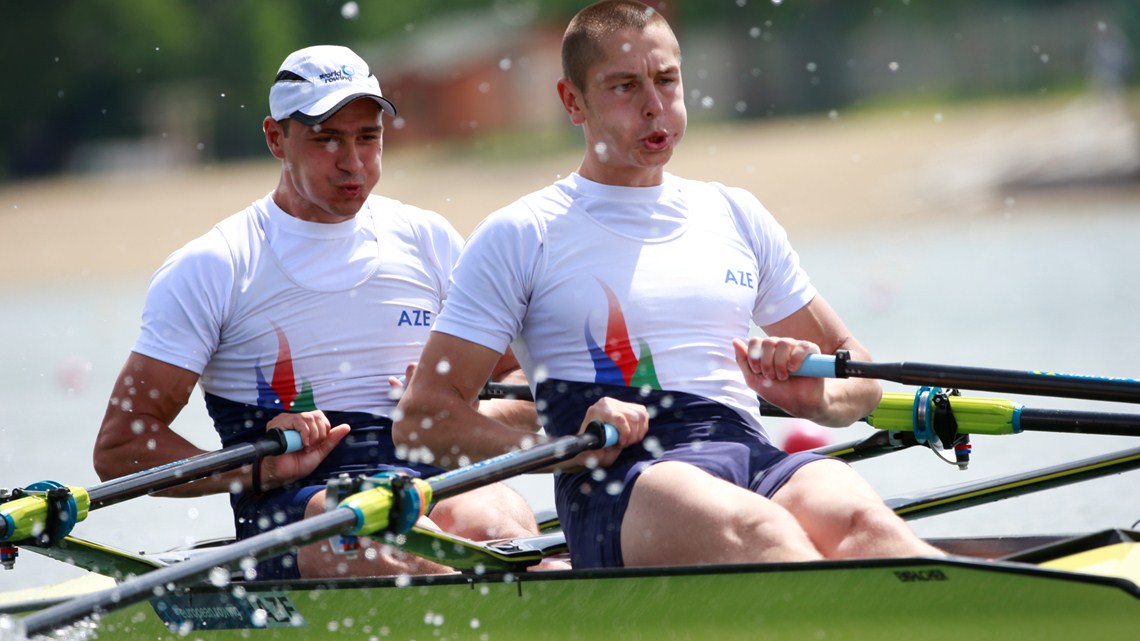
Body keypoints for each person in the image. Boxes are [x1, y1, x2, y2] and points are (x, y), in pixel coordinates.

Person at [394, 0, 943, 569]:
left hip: (749, 451)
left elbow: (860, 371)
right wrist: (559, 452)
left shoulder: (734, 213)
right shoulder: (522, 233)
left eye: (666, 80)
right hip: (618, 478)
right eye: (624, 86)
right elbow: (423, 418)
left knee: (870, 526)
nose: (655, 106)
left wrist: (821, 398)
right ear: (572, 101)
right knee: (767, 535)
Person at [93, 44, 541, 581]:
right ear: (276, 138)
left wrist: (460, 413)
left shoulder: (429, 241)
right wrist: (253, 467)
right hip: (293, 507)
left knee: (501, 526)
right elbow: (120, 445)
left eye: (367, 138)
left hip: (427, 482)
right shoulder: (215, 265)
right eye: (327, 139)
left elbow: (523, 385)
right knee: (388, 544)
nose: (352, 162)